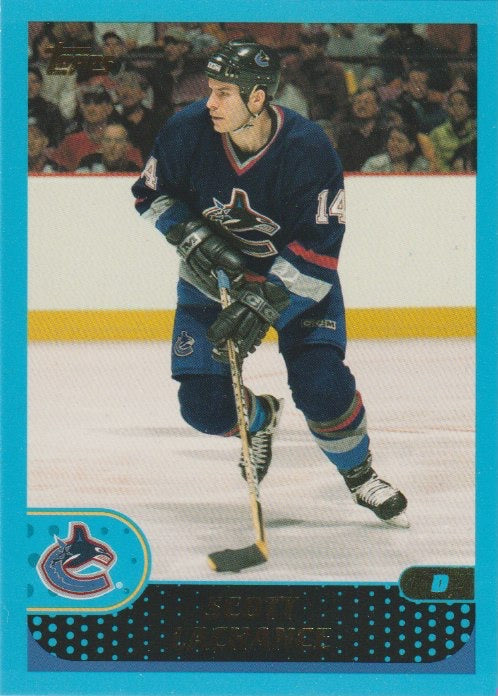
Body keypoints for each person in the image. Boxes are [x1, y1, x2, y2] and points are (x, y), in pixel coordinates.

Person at [131, 40, 408, 526]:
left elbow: (320, 247)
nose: (209, 102)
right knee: (203, 408)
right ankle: (261, 418)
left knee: (322, 388)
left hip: (296, 287)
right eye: (210, 90)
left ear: (257, 98)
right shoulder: (186, 130)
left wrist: (263, 302)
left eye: (223, 93)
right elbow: (150, 194)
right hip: (211, 281)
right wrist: (193, 235)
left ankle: (360, 474)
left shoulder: (308, 148)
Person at [53, 84, 143, 171]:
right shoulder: (71, 141)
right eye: (87, 103)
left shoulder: (123, 138)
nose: (91, 108)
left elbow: (137, 172)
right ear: (81, 108)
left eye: (98, 102)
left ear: (109, 108)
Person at [335, 88, 387, 171]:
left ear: (377, 108)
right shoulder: (344, 132)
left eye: (366, 102)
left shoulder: (384, 131)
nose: (361, 106)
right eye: (358, 102)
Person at [429, 90, 476, 172]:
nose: (456, 109)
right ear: (447, 109)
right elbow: (435, 163)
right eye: (451, 105)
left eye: (461, 104)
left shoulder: (476, 131)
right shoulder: (437, 133)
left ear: (470, 110)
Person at [75, 123, 142, 172]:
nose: (112, 145)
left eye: (118, 141)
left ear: (126, 146)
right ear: (102, 144)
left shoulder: (133, 170)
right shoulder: (87, 163)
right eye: (108, 140)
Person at [361, 124, 429, 172]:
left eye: (400, 141)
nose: (394, 144)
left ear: (411, 146)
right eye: (392, 139)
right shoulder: (374, 163)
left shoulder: (421, 165)